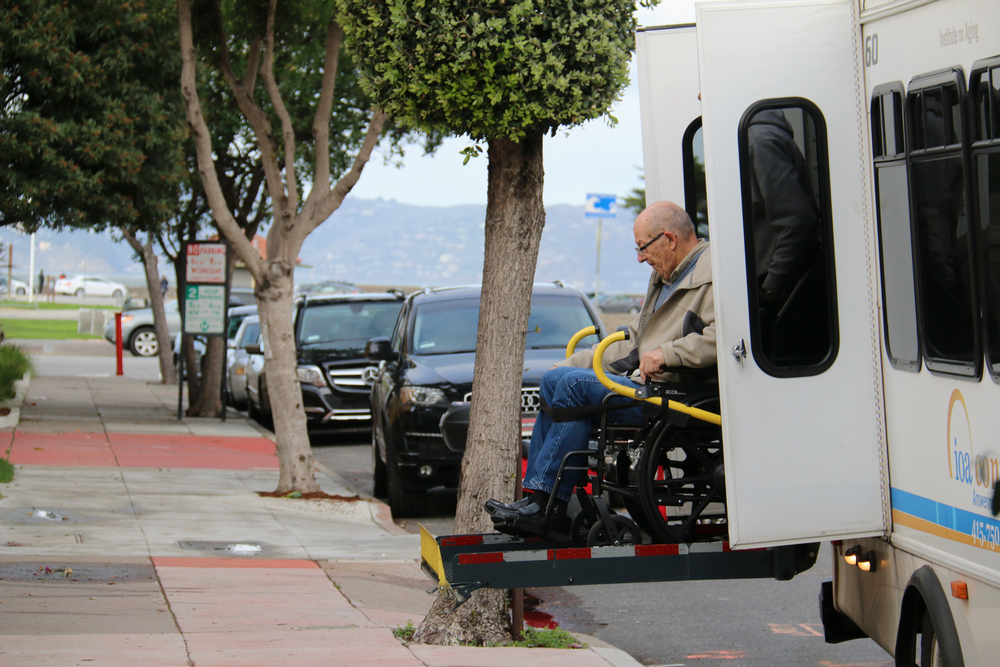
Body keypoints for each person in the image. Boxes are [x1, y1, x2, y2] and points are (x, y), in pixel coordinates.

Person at [485, 200, 716, 537]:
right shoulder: (664, 276)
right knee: (556, 378)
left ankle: (547, 505)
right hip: (646, 385)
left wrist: (668, 353)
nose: (639, 258)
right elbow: (631, 344)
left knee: (574, 388)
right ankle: (542, 501)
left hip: (678, 392)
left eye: (642, 247)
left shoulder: (715, 273)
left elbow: (724, 337)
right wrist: (568, 363)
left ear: (669, 238)